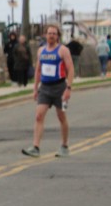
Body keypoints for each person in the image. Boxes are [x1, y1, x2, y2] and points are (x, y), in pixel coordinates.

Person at [22, 23, 75, 158]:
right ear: (45, 35)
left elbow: (70, 69)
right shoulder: (41, 51)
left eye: (54, 34)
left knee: (61, 117)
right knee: (39, 116)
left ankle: (64, 146)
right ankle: (35, 147)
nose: (51, 36)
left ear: (57, 36)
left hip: (59, 87)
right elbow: (38, 70)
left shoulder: (63, 50)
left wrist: (68, 88)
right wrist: (35, 88)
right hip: (45, 88)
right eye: (49, 33)